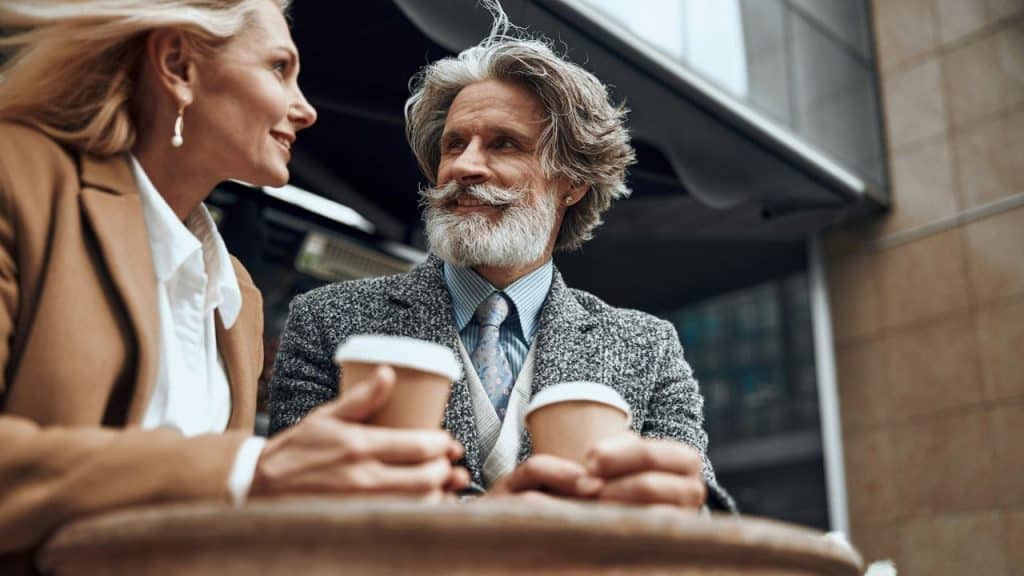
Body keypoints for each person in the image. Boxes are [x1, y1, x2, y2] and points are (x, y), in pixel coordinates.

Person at [0, 0, 466, 562]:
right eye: (279, 68)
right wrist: (254, 469)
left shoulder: (236, 296)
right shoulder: (18, 180)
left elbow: (211, 533)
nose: (306, 109)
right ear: (178, 65)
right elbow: (228, 481)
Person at [269, 21, 736, 512]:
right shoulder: (325, 322)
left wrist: (677, 504)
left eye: (503, 144)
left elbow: (699, 522)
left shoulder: (649, 348)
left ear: (572, 183)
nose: (464, 167)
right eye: (454, 144)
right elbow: (294, 514)